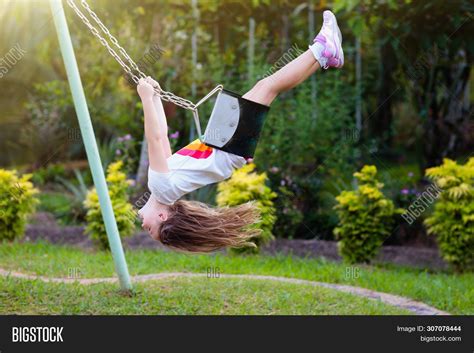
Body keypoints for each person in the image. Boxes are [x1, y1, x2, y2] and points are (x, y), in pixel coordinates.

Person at [137, 10, 344, 252]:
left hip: (224, 144)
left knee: (266, 87)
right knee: (268, 86)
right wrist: (145, 98)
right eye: (150, 230)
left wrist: (155, 99)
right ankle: (322, 50)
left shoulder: (166, 187)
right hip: (225, 144)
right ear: (162, 217)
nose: (144, 227)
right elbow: (156, 137)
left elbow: (162, 138)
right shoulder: (161, 188)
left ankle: (325, 56)